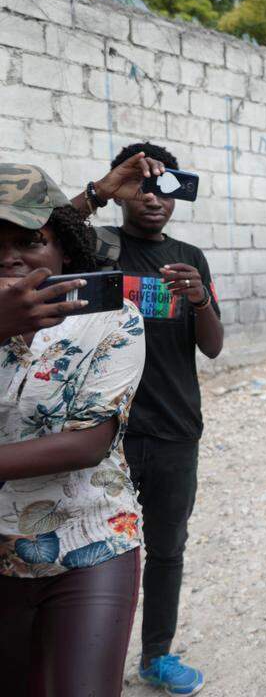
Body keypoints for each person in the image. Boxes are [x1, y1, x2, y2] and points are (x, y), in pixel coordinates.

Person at [70, 142, 223, 696]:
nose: (155, 198)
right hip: (101, 435)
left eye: (167, 186)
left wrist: (201, 299)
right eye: (142, 185)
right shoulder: (94, 247)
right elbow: (41, 230)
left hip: (175, 429)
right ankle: (89, 659)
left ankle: (156, 654)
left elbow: (213, 348)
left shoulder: (188, 256)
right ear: (123, 190)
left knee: (166, 546)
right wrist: (100, 189)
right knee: (95, 545)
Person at [0, 164, 146, 696]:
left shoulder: (110, 319)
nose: (9, 257)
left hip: (90, 538)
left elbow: (88, 443)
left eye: (29, 241)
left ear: (63, 249)